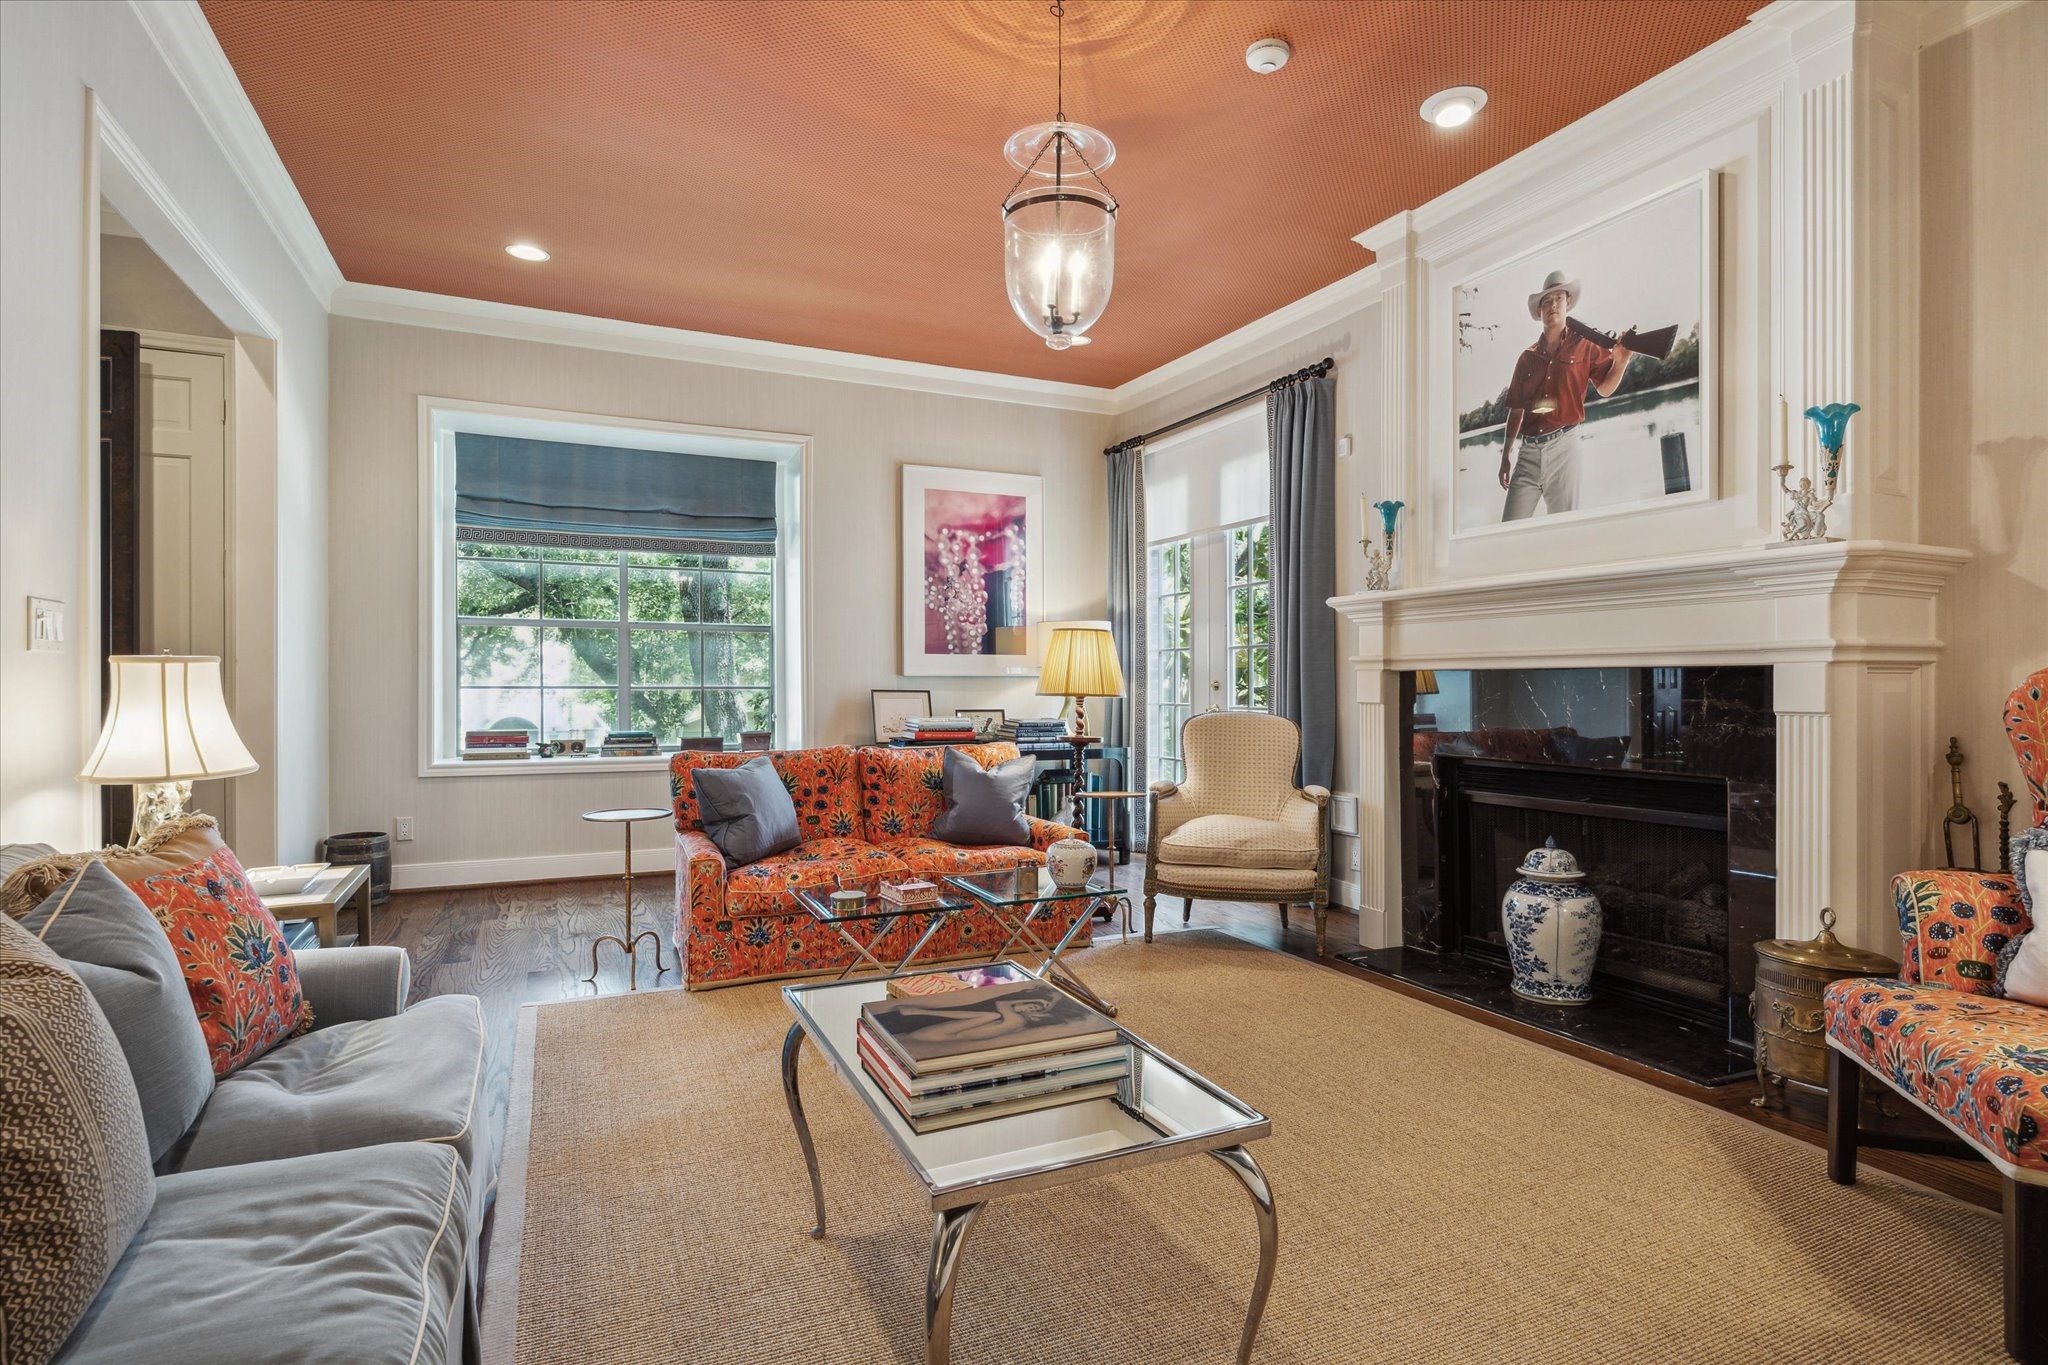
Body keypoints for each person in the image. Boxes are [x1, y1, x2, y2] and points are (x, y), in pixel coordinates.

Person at [1496, 270, 1636, 520]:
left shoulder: (1585, 344)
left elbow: (1604, 388)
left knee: (1562, 531)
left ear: (1567, 302)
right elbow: (1516, 409)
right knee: (1508, 529)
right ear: (1539, 312)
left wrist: (1622, 362)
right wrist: (1506, 455)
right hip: (1528, 455)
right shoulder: (1526, 358)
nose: (1552, 306)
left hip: (1565, 449)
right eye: (1546, 302)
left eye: (1557, 299)